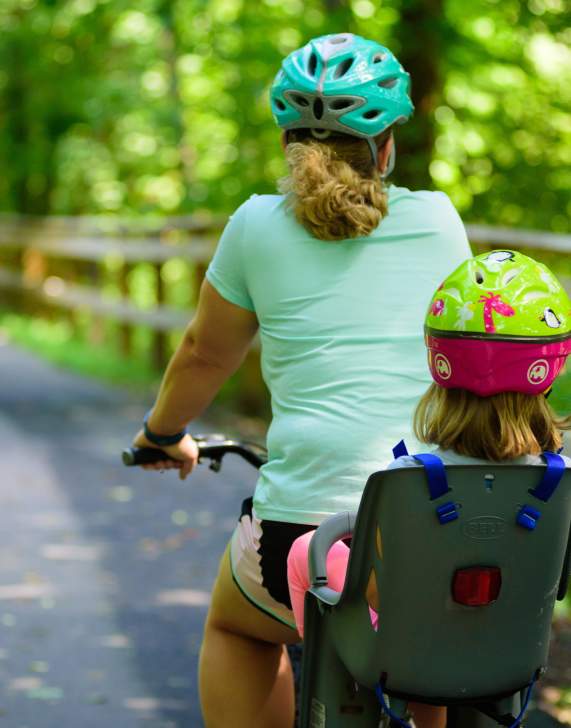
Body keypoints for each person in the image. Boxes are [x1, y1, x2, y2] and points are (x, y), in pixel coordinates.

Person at [132, 33, 472, 728]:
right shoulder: (438, 221)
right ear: (384, 147)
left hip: (302, 536)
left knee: (236, 629)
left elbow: (203, 355)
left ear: (289, 141)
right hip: (428, 518)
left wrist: (161, 433)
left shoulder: (256, 225)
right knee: (423, 641)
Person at [287, 250, 571, 728]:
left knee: (307, 551)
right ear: (551, 366)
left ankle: (345, 700)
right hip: (513, 647)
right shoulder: (559, 477)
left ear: (440, 358)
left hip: (408, 652)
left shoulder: (410, 477)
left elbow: (382, 592)